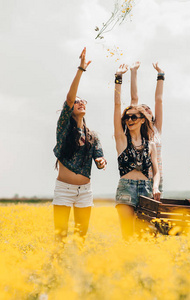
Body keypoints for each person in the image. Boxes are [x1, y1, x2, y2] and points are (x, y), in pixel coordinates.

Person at [52, 47, 107, 242]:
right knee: (60, 237)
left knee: (81, 239)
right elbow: (69, 98)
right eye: (77, 102)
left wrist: (101, 162)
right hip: (63, 190)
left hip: (85, 192)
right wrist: (81, 69)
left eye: (83, 101)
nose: (80, 102)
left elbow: (100, 158)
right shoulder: (64, 129)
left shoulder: (93, 136)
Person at [113, 63, 162, 239]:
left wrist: (155, 186)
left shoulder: (150, 145)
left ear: (142, 120)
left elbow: (155, 171)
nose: (129, 119)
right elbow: (117, 104)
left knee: (145, 236)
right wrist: (118, 78)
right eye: (127, 117)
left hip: (146, 189)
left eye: (134, 117)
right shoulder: (121, 139)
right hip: (126, 188)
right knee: (127, 235)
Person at [130, 61, 164, 192]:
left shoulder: (157, 129)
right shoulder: (135, 129)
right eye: (143, 109)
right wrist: (134, 72)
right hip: (136, 179)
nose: (147, 110)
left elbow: (159, 100)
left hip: (156, 178)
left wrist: (160, 75)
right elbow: (134, 99)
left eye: (148, 109)